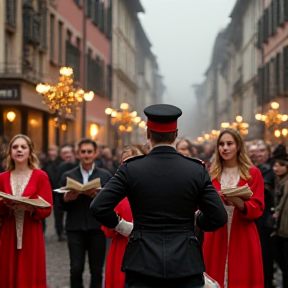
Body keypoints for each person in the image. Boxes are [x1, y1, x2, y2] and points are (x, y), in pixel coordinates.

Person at [90, 104, 227, 288]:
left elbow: (98, 206)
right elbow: (218, 216)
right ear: (176, 135)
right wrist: (196, 220)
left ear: (148, 134)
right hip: (185, 261)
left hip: (142, 262)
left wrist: (122, 226)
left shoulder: (131, 168)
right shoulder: (196, 170)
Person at [202, 128, 264, 288]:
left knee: (242, 277)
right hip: (216, 233)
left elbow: (258, 207)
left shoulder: (253, 173)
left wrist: (239, 202)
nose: (225, 148)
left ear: (238, 146)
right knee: (213, 277)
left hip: (242, 232)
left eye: (229, 144)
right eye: (221, 144)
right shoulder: (212, 173)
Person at [0, 134, 53, 288]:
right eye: (15, 147)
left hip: (31, 231)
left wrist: (30, 207)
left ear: (30, 151)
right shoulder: (2, 178)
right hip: (8, 231)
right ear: (10, 152)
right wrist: (6, 204)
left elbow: (48, 207)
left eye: (23, 147)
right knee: (7, 270)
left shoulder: (40, 176)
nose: (19, 150)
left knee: (30, 272)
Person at [59, 139, 112, 288]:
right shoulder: (67, 176)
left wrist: (97, 197)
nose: (86, 155)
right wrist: (67, 198)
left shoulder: (105, 175)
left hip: (97, 229)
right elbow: (60, 205)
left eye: (89, 151)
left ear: (96, 153)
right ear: (78, 154)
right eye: (83, 152)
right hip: (74, 228)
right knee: (76, 268)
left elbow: (111, 203)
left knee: (96, 270)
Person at [102, 146, 141, 288]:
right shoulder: (114, 189)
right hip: (120, 249)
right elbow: (106, 228)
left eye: (131, 161)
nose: (127, 166)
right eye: (123, 162)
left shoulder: (150, 188)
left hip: (143, 249)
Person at [255, 141, 275, 288]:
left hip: (265, 220)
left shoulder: (271, 170)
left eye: (262, 151)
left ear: (269, 153)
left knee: (265, 256)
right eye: (255, 151)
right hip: (255, 219)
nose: (258, 154)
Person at [271, 144, 288, 288]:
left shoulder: (286, 183)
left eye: (280, 165)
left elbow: (282, 205)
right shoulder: (279, 182)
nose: (276, 168)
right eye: (275, 165)